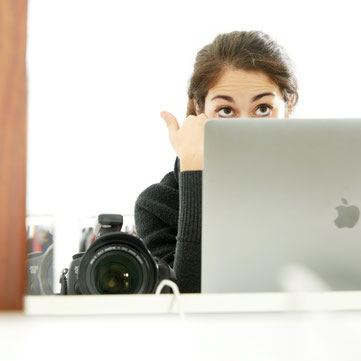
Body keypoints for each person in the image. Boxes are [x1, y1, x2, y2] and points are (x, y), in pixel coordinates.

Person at [134, 30, 299, 293]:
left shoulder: (321, 192)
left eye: (263, 109)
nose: (245, 128)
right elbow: (189, 302)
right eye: (225, 111)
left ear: (288, 107)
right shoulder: (158, 204)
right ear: (199, 111)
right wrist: (193, 170)